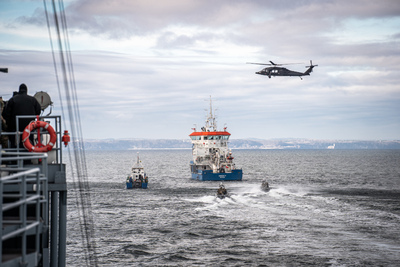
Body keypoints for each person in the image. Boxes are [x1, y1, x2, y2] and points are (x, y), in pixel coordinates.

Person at [3, 84, 41, 148]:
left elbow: (6, 114)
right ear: (26, 90)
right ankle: (28, 157)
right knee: (28, 147)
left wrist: (8, 124)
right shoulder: (33, 100)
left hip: (15, 130)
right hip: (29, 129)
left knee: (14, 148)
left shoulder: (12, 100)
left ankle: (14, 156)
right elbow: (38, 111)